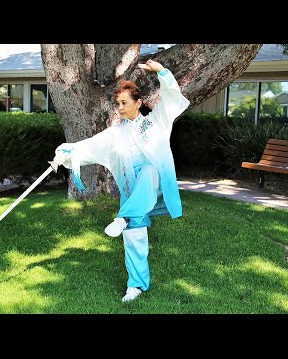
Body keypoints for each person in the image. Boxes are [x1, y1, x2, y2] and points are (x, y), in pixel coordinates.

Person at [50, 59, 190, 302]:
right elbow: (90, 147)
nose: (120, 109)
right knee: (135, 237)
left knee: (147, 172)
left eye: (124, 103)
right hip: (132, 190)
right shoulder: (117, 132)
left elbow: (173, 96)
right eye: (118, 104)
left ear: (138, 103)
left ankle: (123, 217)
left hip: (153, 181)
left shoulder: (157, 121)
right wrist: (65, 153)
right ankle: (135, 286)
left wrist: (163, 72)